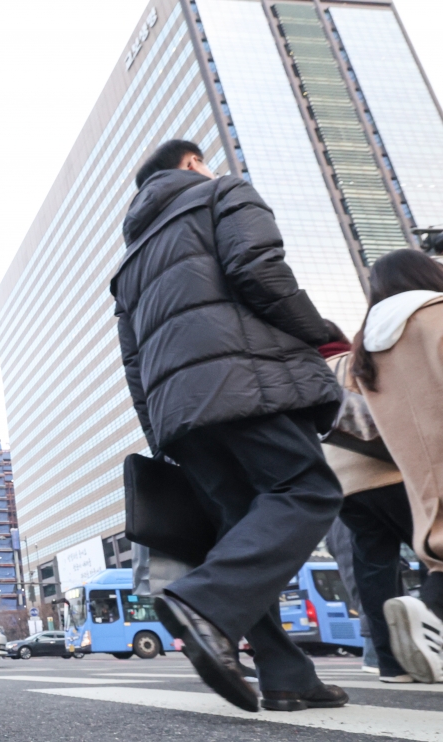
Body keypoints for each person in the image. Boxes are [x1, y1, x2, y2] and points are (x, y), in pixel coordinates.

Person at [110, 139, 347, 712]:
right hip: (245, 382)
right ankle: (208, 603)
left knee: (241, 524)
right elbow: (258, 269)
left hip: (180, 415)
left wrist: (161, 435)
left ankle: (286, 673)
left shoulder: (129, 263)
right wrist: (320, 334)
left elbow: (134, 363)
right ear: (191, 164)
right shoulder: (222, 192)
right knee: (307, 489)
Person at [351, 248, 443, 683]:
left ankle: (400, 652)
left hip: (398, 473)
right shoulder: (434, 315)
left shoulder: (365, 346)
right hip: (392, 472)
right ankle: (430, 614)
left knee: (378, 563)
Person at [317, 325, 416, 683]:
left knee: (373, 569)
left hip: (344, 484)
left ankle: (390, 664)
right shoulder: (361, 358)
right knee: (434, 550)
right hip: (390, 471)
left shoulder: (304, 375)